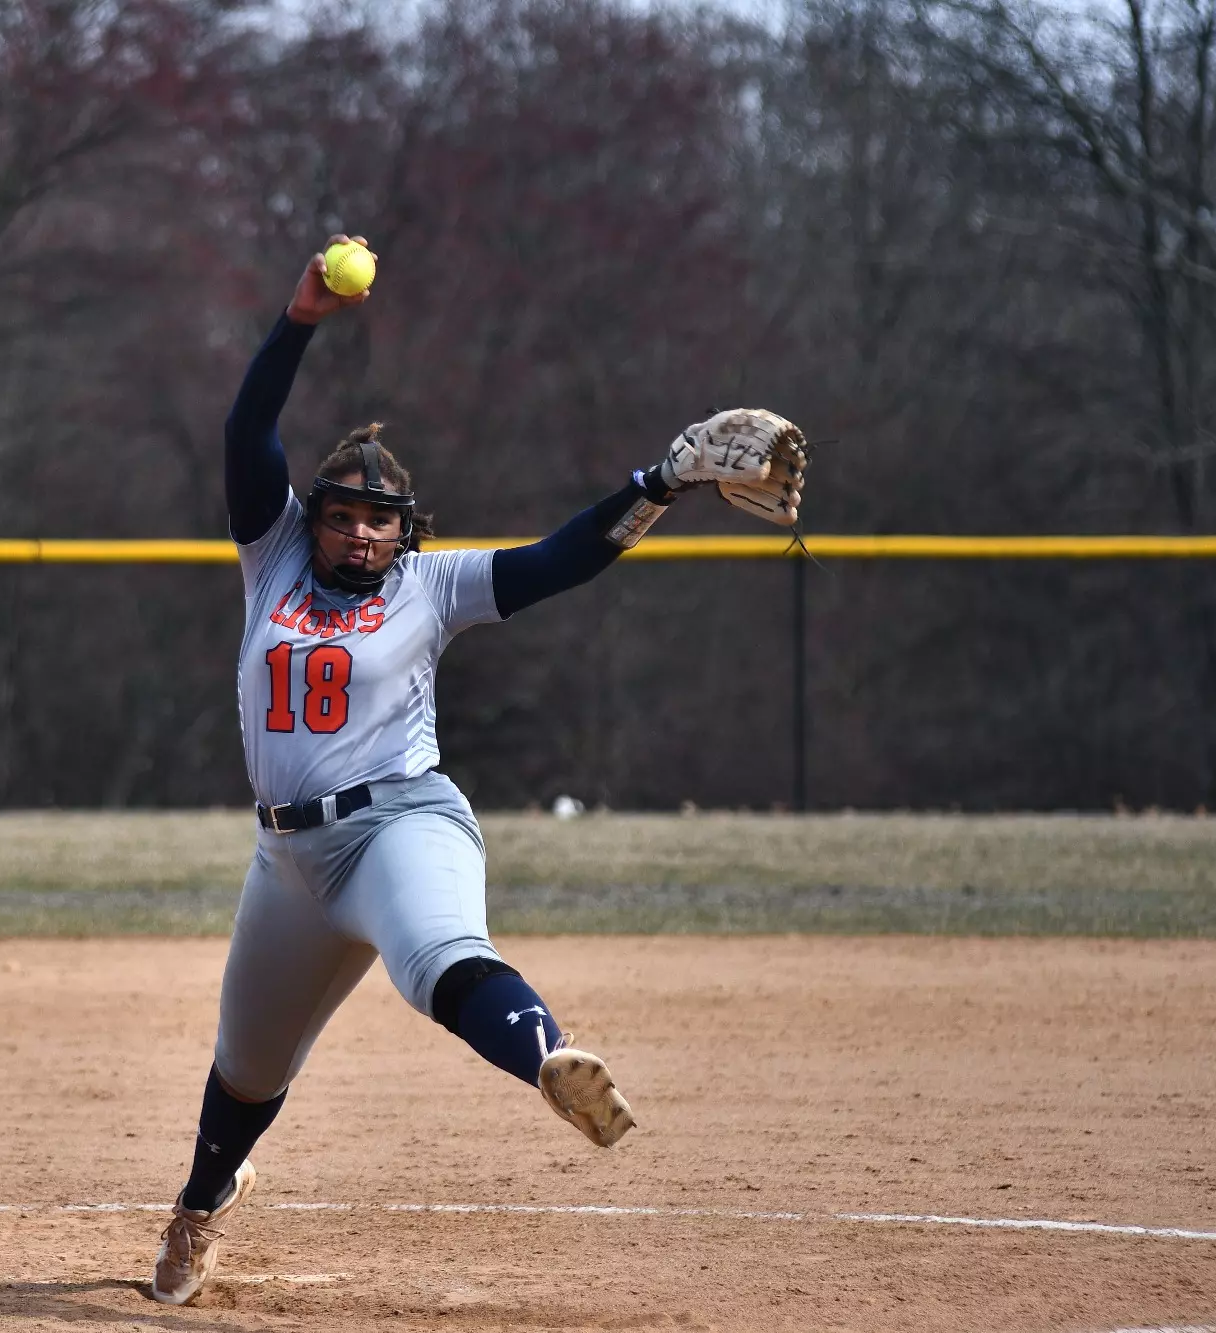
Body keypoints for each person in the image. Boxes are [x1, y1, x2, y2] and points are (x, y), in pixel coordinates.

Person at [150, 236, 805, 1305]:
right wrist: (298, 320)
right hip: (285, 859)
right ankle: (197, 1210)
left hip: (398, 824)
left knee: (438, 955)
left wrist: (659, 483)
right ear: (310, 519)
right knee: (245, 1070)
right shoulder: (267, 554)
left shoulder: (430, 584)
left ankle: (548, 1058)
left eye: (379, 520)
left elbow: (557, 560)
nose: (360, 533)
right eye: (342, 514)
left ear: (405, 532)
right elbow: (244, 430)